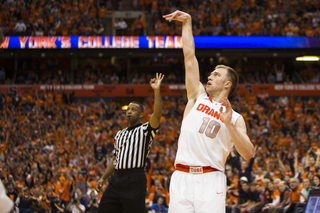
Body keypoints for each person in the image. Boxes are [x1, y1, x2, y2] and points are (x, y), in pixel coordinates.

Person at [163, 10, 254, 213]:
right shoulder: (197, 96)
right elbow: (189, 56)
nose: (210, 76)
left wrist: (229, 125)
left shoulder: (236, 118)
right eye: (211, 73)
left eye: (216, 74)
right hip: (181, 177)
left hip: (211, 178)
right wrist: (187, 22)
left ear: (227, 84)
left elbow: (248, 153)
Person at [95, 73, 164, 213]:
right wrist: (103, 177)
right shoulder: (120, 134)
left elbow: (157, 115)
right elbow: (115, 159)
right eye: (128, 109)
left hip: (134, 178)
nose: (129, 112)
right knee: (103, 209)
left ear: (140, 115)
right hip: (116, 179)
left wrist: (156, 90)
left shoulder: (145, 130)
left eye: (134, 110)